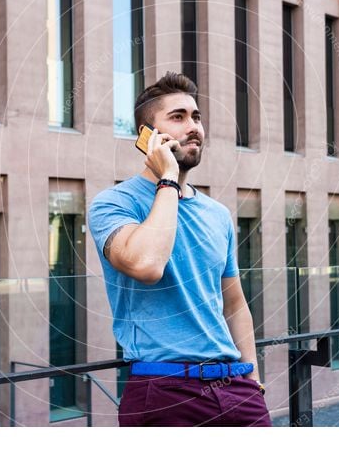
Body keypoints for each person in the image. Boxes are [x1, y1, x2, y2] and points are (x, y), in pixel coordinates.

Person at [87, 71, 271, 427]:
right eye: (178, 117)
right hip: (163, 391)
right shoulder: (112, 204)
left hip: (235, 387)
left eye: (196, 117)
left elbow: (233, 304)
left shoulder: (217, 215)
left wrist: (253, 382)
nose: (194, 127)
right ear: (147, 136)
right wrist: (167, 178)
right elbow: (147, 265)